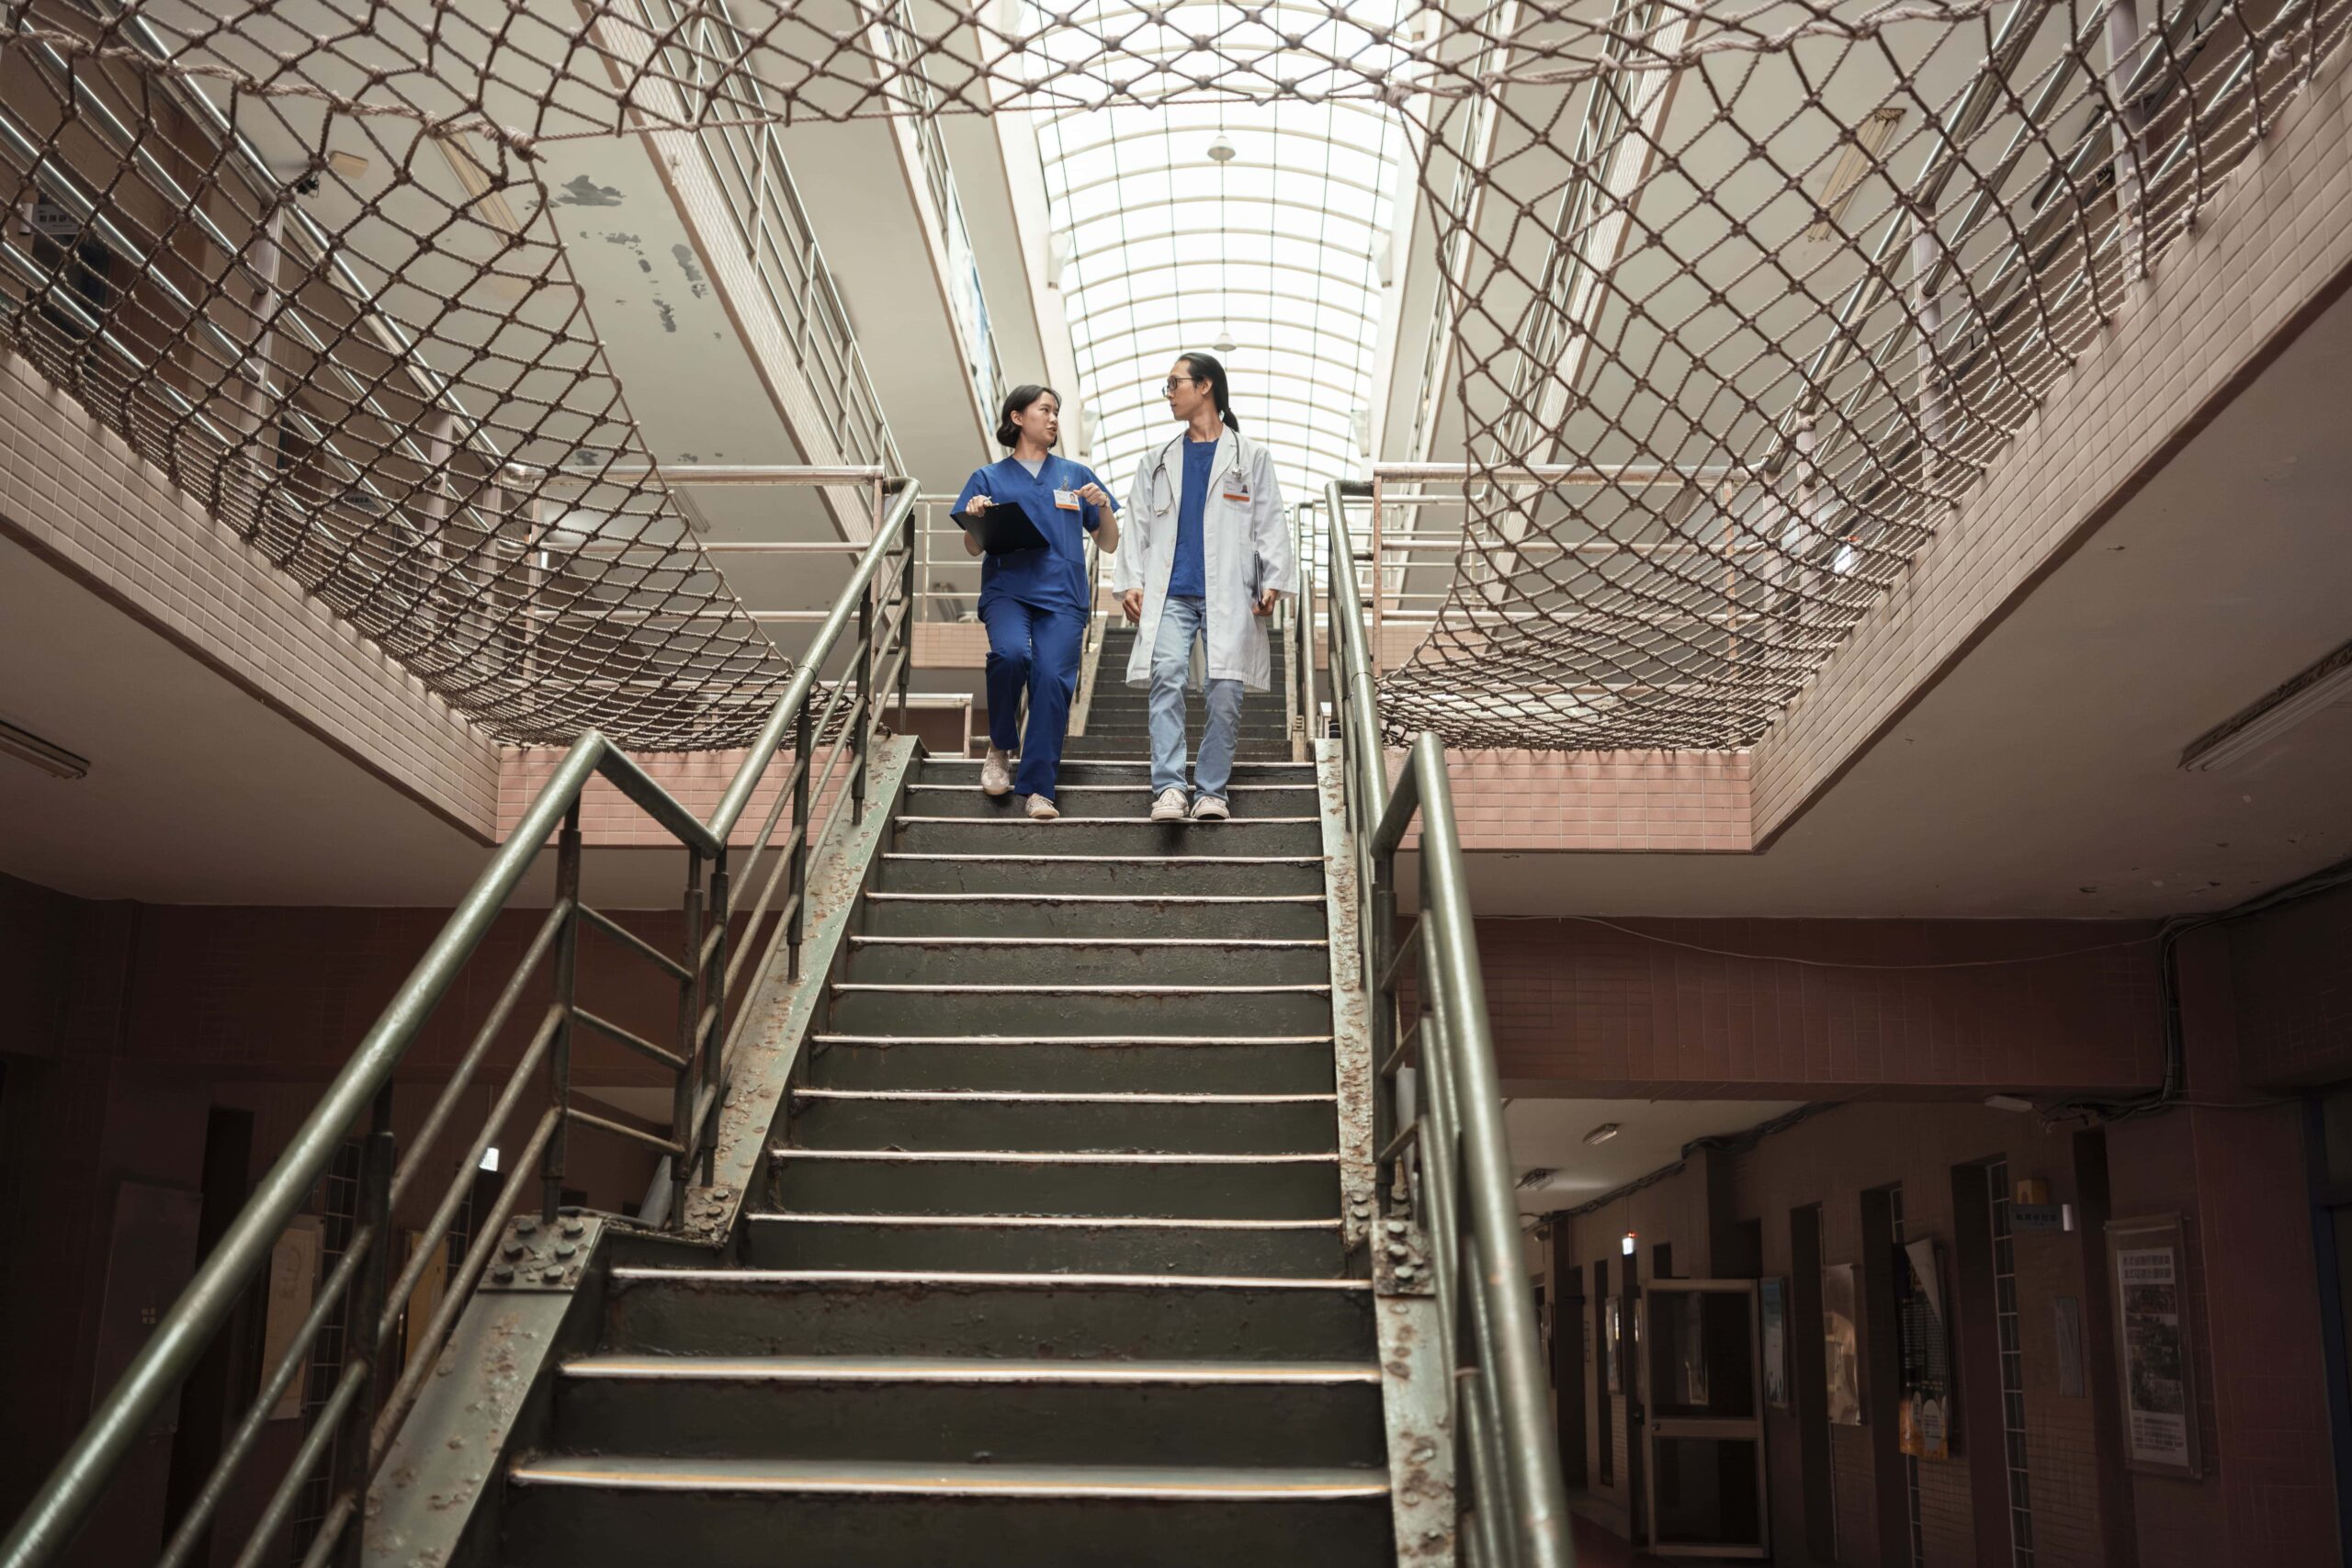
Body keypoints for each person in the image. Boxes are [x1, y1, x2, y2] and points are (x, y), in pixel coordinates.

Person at [1114, 352, 1296, 822]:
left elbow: (1270, 521)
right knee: (1166, 676)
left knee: (1225, 691)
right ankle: (1170, 789)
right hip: (1171, 592)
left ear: (1205, 386)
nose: (1169, 394)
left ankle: (1212, 791)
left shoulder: (1250, 457)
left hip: (1230, 593)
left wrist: (1273, 581)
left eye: (1174, 384)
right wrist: (1130, 581)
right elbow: (1137, 526)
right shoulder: (1156, 462)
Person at [954, 383, 1118, 819]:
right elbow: (973, 547)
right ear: (1017, 417)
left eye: (1056, 412)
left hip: (1062, 596)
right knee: (1010, 655)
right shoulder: (987, 478)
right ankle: (1000, 745)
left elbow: (1109, 543)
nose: (1053, 419)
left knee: (1051, 682)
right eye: (1044, 410)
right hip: (1008, 590)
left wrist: (1103, 507)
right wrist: (976, 515)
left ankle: (1039, 789)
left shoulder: (1076, 475)